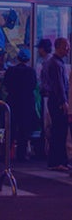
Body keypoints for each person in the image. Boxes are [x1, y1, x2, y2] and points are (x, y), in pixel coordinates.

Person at [3, 48, 38, 161]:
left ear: (18, 58)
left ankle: (7, 153)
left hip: (12, 102)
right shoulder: (31, 71)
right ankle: (21, 154)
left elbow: (6, 85)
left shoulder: (10, 70)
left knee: (11, 127)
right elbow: (33, 86)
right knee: (24, 129)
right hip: (26, 103)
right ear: (28, 59)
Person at [46, 37, 70, 171]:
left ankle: (59, 161)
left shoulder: (57, 62)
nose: (68, 49)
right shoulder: (55, 63)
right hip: (57, 101)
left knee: (60, 131)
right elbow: (59, 85)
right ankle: (57, 161)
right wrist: (64, 101)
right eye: (66, 46)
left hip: (57, 100)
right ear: (58, 47)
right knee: (59, 132)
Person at [35, 39, 52, 157]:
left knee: (48, 124)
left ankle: (47, 152)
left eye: (39, 48)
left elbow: (46, 82)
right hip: (47, 95)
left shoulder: (48, 62)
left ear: (43, 49)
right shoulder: (47, 61)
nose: (38, 51)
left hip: (48, 96)